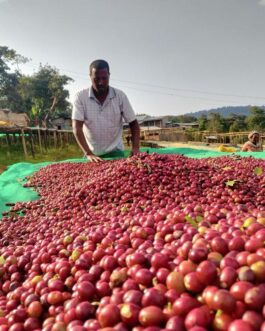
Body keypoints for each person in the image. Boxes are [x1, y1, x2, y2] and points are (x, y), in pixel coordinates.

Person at [72, 59, 140, 162]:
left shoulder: (120, 96)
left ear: (109, 75)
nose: (101, 82)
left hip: (116, 152)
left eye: (104, 78)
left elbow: (134, 124)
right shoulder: (81, 97)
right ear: (90, 76)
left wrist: (135, 148)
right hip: (93, 154)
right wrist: (88, 153)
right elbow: (77, 128)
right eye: (97, 78)